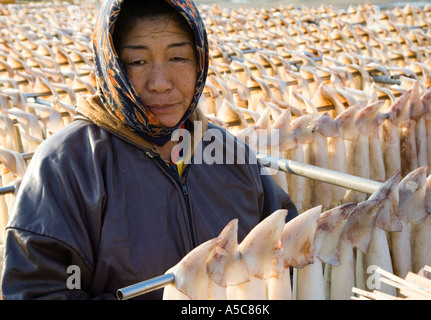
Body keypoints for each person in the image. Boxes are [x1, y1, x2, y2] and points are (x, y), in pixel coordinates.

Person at [1, 0, 297, 300]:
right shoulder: (67, 165)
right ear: (110, 66)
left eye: (178, 57)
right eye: (137, 62)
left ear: (200, 62)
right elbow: (37, 290)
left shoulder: (230, 154)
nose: (160, 83)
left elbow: (284, 247)